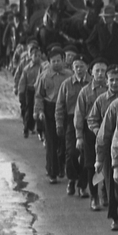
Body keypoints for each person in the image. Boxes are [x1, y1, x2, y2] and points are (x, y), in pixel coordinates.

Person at [91, 64, 118, 235]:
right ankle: (116, 217)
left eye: (117, 80)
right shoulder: (110, 104)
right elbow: (101, 132)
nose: (114, 83)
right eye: (111, 80)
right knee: (113, 185)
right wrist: (99, 158)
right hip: (112, 150)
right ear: (107, 82)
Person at [74, 59, 110, 209]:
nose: (101, 74)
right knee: (91, 165)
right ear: (91, 72)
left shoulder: (112, 91)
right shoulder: (85, 92)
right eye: (97, 71)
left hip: (108, 131)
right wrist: (79, 137)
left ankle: (106, 194)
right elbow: (79, 114)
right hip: (90, 132)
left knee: (108, 163)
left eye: (103, 71)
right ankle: (93, 196)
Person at [55, 56, 91, 197]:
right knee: (71, 153)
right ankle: (72, 178)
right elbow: (59, 106)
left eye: (82, 66)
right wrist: (59, 123)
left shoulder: (91, 84)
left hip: (89, 121)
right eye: (76, 67)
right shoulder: (66, 85)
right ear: (72, 68)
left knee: (86, 156)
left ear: (86, 68)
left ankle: (83, 186)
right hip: (71, 121)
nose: (79, 69)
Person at [36, 45, 70, 183]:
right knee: (51, 142)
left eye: (58, 60)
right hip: (50, 110)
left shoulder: (69, 75)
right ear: (49, 62)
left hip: (66, 110)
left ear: (63, 60)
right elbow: (39, 96)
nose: (56, 63)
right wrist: (39, 111)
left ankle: (62, 166)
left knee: (64, 141)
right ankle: (52, 172)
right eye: (53, 61)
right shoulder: (44, 77)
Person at [16, 43, 42, 138]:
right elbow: (22, 82)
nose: (37, 58)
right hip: (29, 91)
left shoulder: (43, 67)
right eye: (35, 56)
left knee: (38, 110)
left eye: (39, 56)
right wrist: (21, 93)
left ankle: (37, 128)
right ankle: (26, 128)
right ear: (31, 56)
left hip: (39, 92)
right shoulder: (27, 69)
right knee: (28, 109)